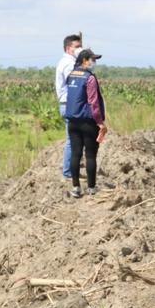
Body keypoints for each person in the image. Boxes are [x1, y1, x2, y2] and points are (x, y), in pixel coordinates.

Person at [64, 47, 107, 198]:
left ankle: (76, 188)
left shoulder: (71, 75)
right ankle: (91, 188)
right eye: (92, 59)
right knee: (90, 155)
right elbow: (93, 102)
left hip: (72, 121)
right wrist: (100, 122)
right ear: (84, 60)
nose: (94, 62)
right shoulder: (90, 78)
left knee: (75, 154)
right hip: (88, 121)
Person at [55, 33, 83, 178]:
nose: (79, 49)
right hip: (70, 104)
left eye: (80, 46)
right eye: (76, 47)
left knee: (75, 138)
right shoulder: (68, 63)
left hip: (68, 104)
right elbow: (75, 83)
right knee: (72, 140)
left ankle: (72, 169)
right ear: (68, 48)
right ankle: (68, 173)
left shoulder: (70, 62)